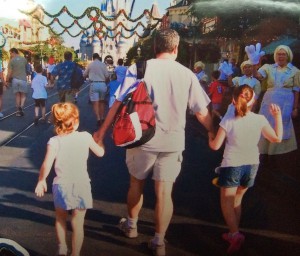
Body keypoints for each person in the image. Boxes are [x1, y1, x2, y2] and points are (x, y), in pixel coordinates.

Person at [93, 29, 213, 256]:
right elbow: (202, 113)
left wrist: (100, 132)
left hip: (141, 138)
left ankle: (131, 225)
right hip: (173, 141)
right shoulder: (187, 74)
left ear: (155, 47)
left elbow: (118, 103)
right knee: (164, 193)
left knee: (136, 184)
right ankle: (159, 242)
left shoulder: (138, 68)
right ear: (176, 49)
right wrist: (214, 133)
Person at [208, 85, 282, 254]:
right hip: (251, 165)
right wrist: (277, 117)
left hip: (232, 164)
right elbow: (276, 138)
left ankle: (234, 234)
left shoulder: (229, 120)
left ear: (234, 100)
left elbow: (215, 146)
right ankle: (234, 231)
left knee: (226, 202)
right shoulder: (260, 119)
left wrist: (209, 136)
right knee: (237, 200)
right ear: (254, 101)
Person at [34, 102, 105, 256]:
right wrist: (100, 142)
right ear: (76, 121)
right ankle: (75, 253)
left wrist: (41, 181)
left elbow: (47, 164)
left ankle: (62, 247)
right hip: (81, 184)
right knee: (78, 223)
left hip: (61, 185)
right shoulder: (85, 137)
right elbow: (100, 153)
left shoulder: (54, 141)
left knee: (60, 218)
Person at [248, 44, 300, 155]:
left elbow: (296, 91)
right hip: (269, 100)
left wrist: (295, 108)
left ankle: (276, 153)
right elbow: (257, 76)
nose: (281, 56)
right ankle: (263, 151)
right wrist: (253, 64)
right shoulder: (268, 67)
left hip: (285, 102)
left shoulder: (295, 71)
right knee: (266, 123)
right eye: (278, 54)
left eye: (283, 54)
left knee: (281, 124)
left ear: (288, 55)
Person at [83, 53, 110, 126]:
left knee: (95, 102)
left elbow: (84, 75)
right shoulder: (103, 65)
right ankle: (102, 117)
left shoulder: (90, 65)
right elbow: (107, 76)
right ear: (98, 57)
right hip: (102, 84)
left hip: (94, 84)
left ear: (93, 58)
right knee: (102, 102)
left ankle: (98, 118)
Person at [6, 48, 28, 116]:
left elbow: (9, 72)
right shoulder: (24, 59)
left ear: (13, 52)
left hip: (15, 80)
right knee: (23, 95)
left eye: (11, 53)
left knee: (17, 95)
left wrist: (7, 80)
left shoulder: (11, 61)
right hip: (23, 79)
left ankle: (18, 111)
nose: (10, 55)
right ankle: (21, 106)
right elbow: (26, 68)